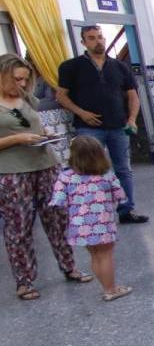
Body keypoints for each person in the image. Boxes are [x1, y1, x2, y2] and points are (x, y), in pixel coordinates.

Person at [0, 54, 89, 300]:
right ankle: (24, 281)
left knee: (57, 219)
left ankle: (70, 266)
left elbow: (33, 126)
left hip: (45, 164)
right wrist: (17, 139)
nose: (20, 84)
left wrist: (44, 134)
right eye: (16, 79)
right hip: (12, 173)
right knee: (18, 227)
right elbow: (17, 134)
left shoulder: (27, 98)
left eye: (24, 79)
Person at [55, 25, 149, 224]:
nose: (98, 41)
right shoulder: (71, 67)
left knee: (123, 169)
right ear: (83, 42)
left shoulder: (120, 67)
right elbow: (61, 96)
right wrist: (82, 113)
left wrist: (131, 119)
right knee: (89, 169)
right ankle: (93, 211)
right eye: (91, 38)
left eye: (100, 37)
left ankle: (126, 210)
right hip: (88, 128)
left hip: (118, 126)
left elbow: (133, 96)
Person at [50, 136, 132, 301]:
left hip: (80, 226)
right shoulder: (107, 176)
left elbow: (58, 201)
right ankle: (111, 289)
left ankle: (105, 287)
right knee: (106, 255)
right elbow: (121, 197)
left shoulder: (65, 177)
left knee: (95, 256)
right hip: (103, 223)